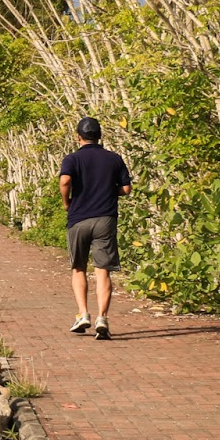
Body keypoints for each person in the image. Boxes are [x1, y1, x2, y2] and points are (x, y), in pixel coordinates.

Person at [59, 116, 133, 340]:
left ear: (78, 136)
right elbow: (127, 189)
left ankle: (83, 314)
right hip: (105, 219)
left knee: (79, 267)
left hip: (79, 218)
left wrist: (67, 202)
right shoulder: (114, 159)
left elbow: (64, 181)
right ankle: (102, 318)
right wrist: (111, 193)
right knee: (102, 270)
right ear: (100, 135)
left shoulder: (72, 158)